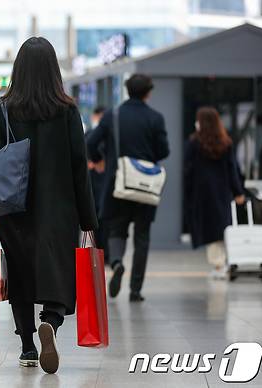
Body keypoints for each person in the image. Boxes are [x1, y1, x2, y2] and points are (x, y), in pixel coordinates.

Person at [0, 37, 97, 374]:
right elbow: (80, 165)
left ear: (19, 70)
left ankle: (29, 346)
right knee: (58, 270)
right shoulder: (67, 110)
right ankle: (52, 321)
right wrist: (88, 217)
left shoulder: (4, 109)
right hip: (60, 209)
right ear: (53, 70)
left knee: (20, 275)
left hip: (16, 209)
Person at [86, 74, 170, 303]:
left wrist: (99, 160)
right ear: (148, 92)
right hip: (145, 185)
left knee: (116, 230)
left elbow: (91, 143)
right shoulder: (155, 118)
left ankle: (117, 263)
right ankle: (135, 290)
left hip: (118, 183)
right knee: (142, 235)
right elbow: (164, 151)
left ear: (127, 90)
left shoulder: (113, 116)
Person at [185, 107, 245, 279]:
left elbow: (188, 171)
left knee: (209, 229)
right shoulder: (226, 143)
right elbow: (232, 169)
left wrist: (188, 193)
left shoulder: (194, 143)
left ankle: (218, 264)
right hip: (221, 193)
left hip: (201, 194)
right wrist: (238, 191)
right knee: (221, 227)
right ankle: (222, 263)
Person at [86, 106, 108, 256]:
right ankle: (103, 252)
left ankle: (103, 251)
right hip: (96, 179)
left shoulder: (105, 134)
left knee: (101, 217)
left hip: (100, 180)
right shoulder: (89, 134)